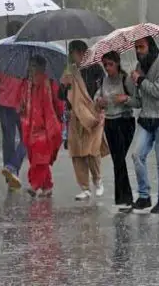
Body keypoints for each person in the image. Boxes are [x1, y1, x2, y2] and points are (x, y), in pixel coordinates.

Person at [128, 36, 159, 214]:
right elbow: (138, 100)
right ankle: (144, 196)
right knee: (137, 155)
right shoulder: (139, 67)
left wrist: (141, 81)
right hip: (146, 119)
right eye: (136, 47)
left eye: (141, 46)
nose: (139, 51)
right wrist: (124, 98)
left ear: (150, 46)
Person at [60, 40, 107, 200]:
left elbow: (103, 89)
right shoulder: (69, 72)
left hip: (94, 113)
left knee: (92, 150)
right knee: (77, 152)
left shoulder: (96, 69)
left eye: (74, 53)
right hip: (75, 116)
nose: (74, 57)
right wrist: (63, 86)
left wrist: (100, 102)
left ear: (81, 52)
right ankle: (85, 187)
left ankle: (98, 180)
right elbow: (61, 96)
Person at [96, 51, 137, 207]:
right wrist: (99, 101)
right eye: (105, 64)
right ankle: (122, 199)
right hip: (110, 123)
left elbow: (137, 100)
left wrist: (125, 99)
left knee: (119, 159)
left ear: (117, 63)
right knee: (117, 160)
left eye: (110, 64)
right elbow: (96, 98)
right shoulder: (103, 81)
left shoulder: (125, 80)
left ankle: (126, 199)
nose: (107, 68)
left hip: (125, 122)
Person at [0, 21, 27, 190]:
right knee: (27, 138)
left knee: (8, 139)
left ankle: (10, 174)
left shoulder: (0, 54)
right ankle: (13, 167)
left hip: (3, 103)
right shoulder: (25, 53)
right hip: (21, 103)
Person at [20, 56, 64, 197]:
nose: (31, 69)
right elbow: (23, 103)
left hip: (46, 127)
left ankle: (35, 185)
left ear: (41, 67)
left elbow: (59, 103)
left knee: (41, 158)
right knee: (35, 157)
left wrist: (60, 119)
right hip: (31, 126)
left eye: (34, 66)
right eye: (30, 65)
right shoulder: (28, 84)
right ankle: (47, 186)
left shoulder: (50, 83)